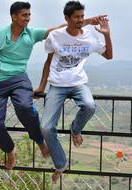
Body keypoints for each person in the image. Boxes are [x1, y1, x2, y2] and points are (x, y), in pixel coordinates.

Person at [0, 1, 107, 170]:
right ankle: (10, 150)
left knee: (25, 107)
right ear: (14, 16)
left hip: (19, 79)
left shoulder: (31, 34)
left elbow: (59, 29)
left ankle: (39, 140)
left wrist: (89, 21)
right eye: (24, 15)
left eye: (29, 14)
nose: (28, 18)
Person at [34, 0, 113, 183]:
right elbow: (48, 62)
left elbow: (109, 55)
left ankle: (75, 129)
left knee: (89, 105)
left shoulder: (89, 37)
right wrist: (41, 87)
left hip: (78, 83)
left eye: (82, 16)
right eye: (76, 17)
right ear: (67, 18)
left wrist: (107, 35)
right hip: (57, 85)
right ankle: (60, 164)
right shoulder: (55, 36)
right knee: (46, 127)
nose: (80, 20)